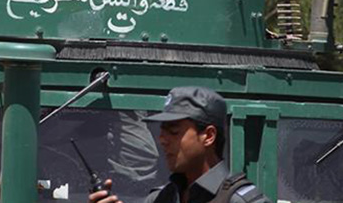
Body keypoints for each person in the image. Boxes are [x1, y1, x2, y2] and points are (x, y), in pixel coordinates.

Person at [89, 86, 270, 203]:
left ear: (208, 136)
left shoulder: (241, 201)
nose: (162, 139)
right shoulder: (160, 199)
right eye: (162, 131)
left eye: (174, 132)